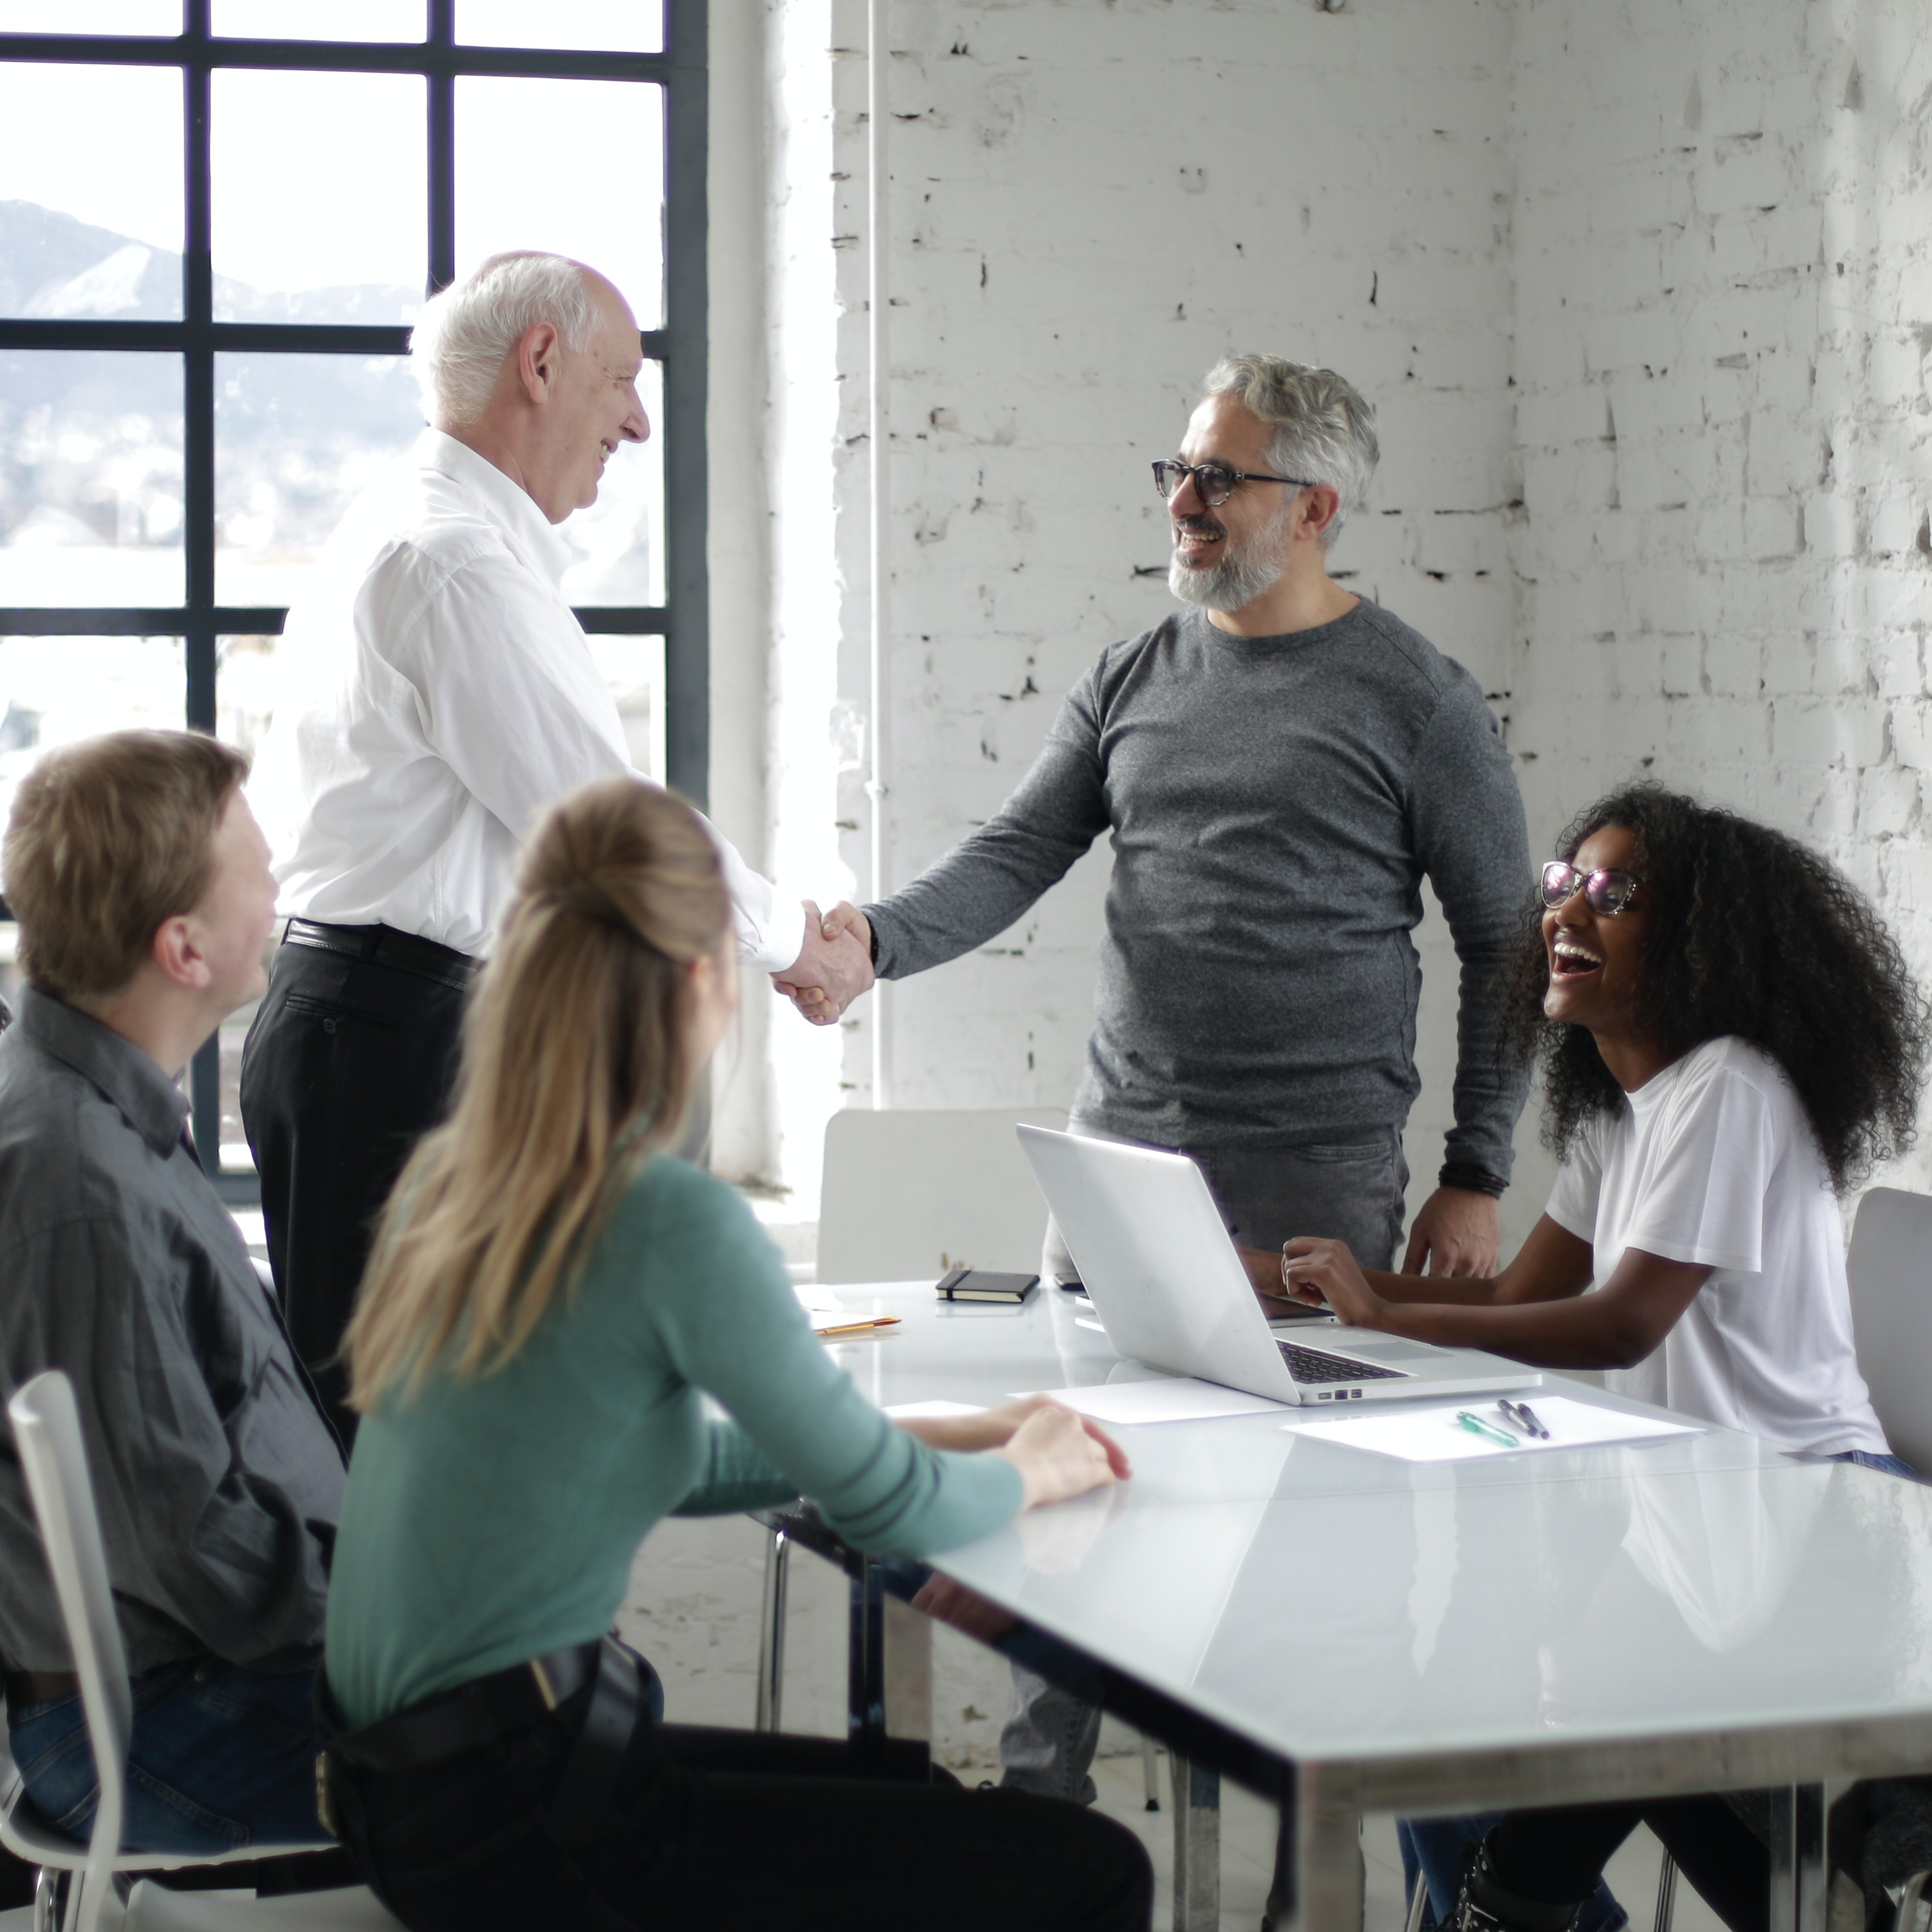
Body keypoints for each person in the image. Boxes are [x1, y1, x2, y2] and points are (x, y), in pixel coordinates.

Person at [796, 353, 1534, 1803]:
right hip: (1119, 1162)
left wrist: (1478, 1168)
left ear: (1316, 507)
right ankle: (1036, 1834)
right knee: (1075, 1499)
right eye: (1179, 470)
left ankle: (1312, 1838)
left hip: (1315, 1171)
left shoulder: (1420, 701)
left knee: (1309, 1537)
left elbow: (1506, 941)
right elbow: (1016, 854)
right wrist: (872, 945)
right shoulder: (1136, 671)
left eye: (1221, 477)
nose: (1185, 502)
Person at [315, 774, 1154, 1932]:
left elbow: (651, 1458)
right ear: (708, 982)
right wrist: (1040, 1470)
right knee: (1091, 1868)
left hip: (402, 1795)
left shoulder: (452, 1183)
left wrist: (955, 1431)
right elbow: (895, 1515)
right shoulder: (665, 1218)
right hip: (521, 1820)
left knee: (903, 1793)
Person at [1270, 783, 1928, 1932]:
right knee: (1477, 1760)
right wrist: (1295, 1288)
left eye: (1615, 894)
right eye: (1563, 884)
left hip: (1808, 1521)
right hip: (1693, 1515)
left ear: (1702, 937)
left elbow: (1619, 1325)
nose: (1569, 913)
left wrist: (1379, 1316)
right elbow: (1530, 1297)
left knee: (1582, 1795)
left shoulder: (1731, 1089)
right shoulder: (1622, 1117)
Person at [241, 251, 869, 1442]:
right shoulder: (456, 561)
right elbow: (605, 827)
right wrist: (799, 943)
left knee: (429, 1444)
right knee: (410, 1458)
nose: (636, 419)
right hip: (391, 1051)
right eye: (622, 380)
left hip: (381, 1031)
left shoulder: (417, 528)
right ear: (540, 364)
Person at [0, 731, 346, 1855]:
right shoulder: (79, 1180)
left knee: (588, 1729)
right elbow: (194, 1545)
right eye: (256, 865)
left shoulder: (98, 1109)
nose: (281, 884)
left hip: (200, 1684)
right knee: (580, 1786)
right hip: (168, 1724)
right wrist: (392, 1613)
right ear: (183, 948)